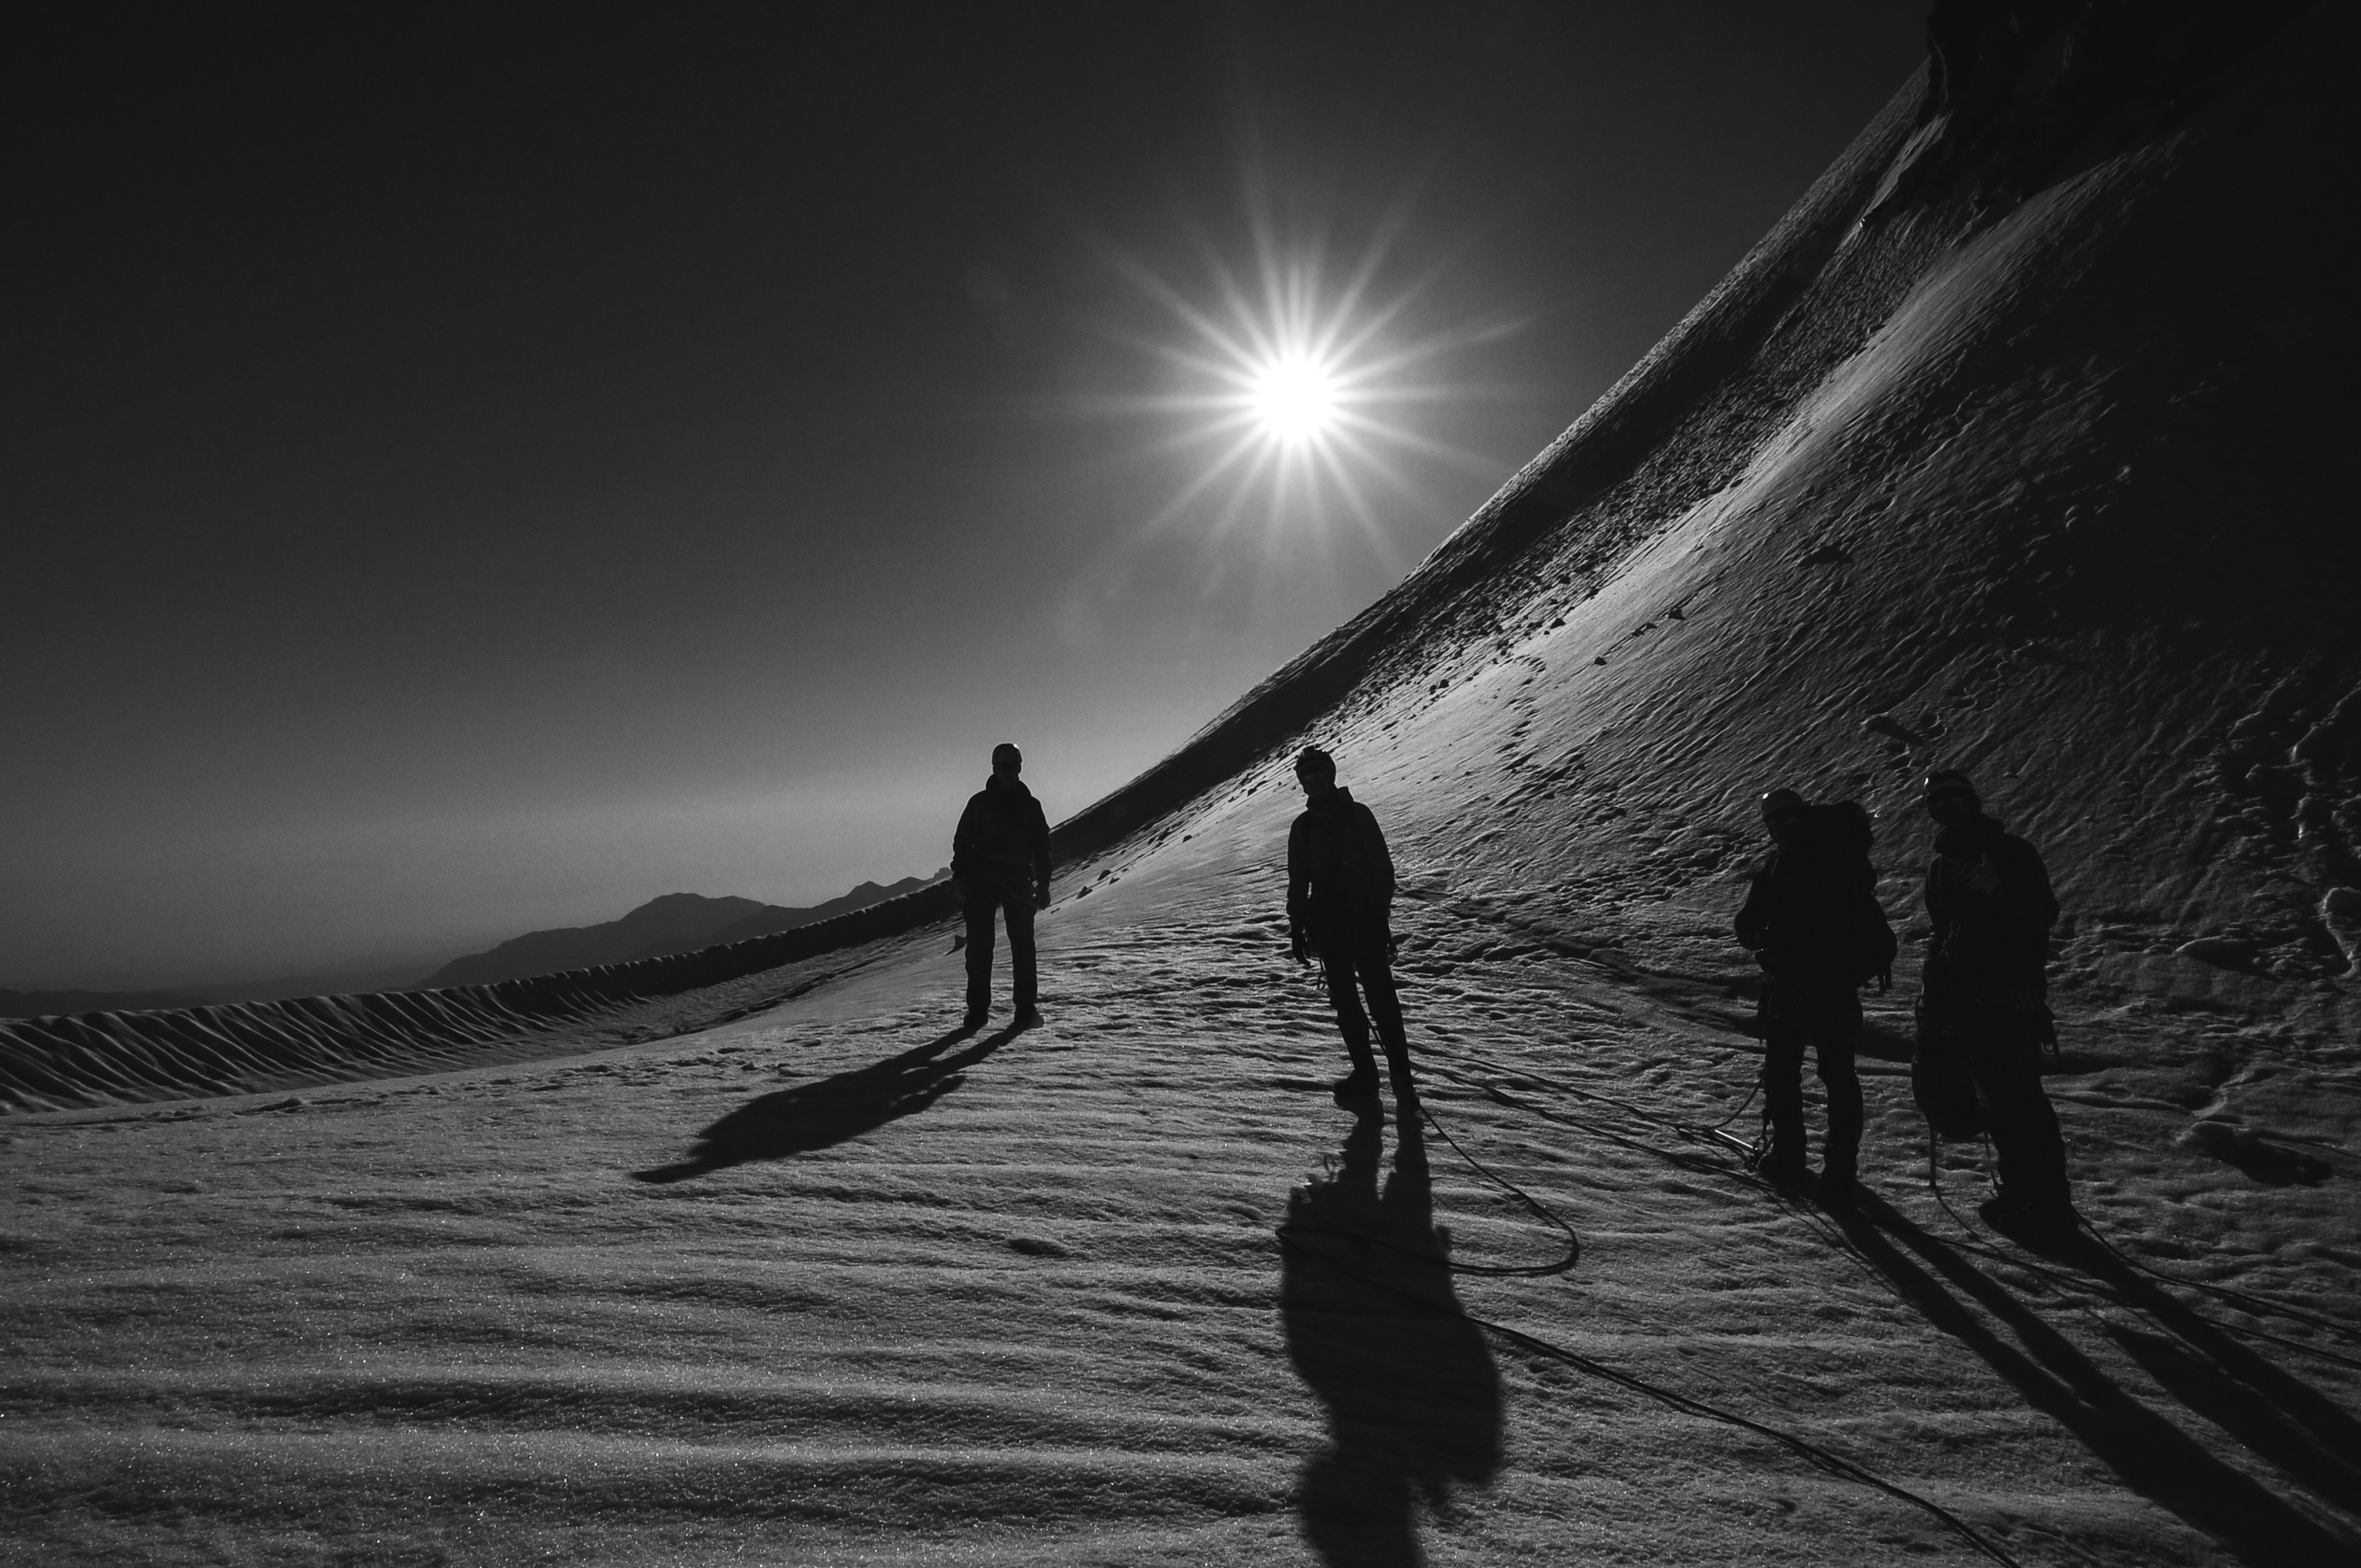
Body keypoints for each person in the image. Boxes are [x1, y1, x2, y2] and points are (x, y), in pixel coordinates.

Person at [1918, 768, 2073, 1233]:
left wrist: (1998, 890)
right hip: (1968, 998)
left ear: (1973, 802)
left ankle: (2048, 1207)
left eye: (1955, 800)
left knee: (2021, 1102)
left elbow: (2042, 915)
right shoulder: (1943, 864)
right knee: (2002, 1102)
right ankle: (2022, 1197)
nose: (1948, 809)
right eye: (1939, 804)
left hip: (2009, 997)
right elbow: (1943, 931)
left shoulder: (2010, 853)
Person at [1735, 789, 1890, 1194]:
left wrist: (1763, 939)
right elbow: (1749, 923)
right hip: (1813, 987)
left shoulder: (1804, 865)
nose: (1784, 830)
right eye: (1777, 824)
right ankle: (1822, 1163)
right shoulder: (1791, 865)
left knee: (1814, 1074)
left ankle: (1813, 1161)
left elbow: (1749, 925)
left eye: (1790, 821)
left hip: (1813, 986)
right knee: (1816, 1074)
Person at [1287, 746, 1416, 1109]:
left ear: (1331, 776)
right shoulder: (1305, 826)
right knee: (1347, 1003)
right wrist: (1297, 925)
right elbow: (1299, 879)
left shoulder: (1357, 816)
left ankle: (1399, 1082)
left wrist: (1376, 912)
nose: (1314, 782)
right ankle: (1369, 1076)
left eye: (1319, 775)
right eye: (1307, 777)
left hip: (1361, 918)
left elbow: (1382, 869)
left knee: (1380, 1001)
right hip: (1330, 923)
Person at [953, 742, 1051, 1028]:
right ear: (994, 769)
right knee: (980, 948)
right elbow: (962, 841)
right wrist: (960, 876)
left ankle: (1024, 1008)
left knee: (1022, 945)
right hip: (983, 882)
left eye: (1012, 766)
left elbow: (1042, 846)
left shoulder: (1029, 807)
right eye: (1003, 767)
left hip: (1016, 881)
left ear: (1019, 767)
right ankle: (978, 1011)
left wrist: (1043, 883)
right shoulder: (980, 804)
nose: (1008, 772)